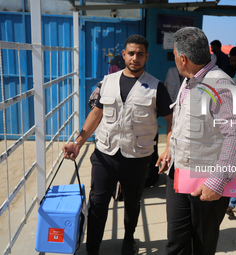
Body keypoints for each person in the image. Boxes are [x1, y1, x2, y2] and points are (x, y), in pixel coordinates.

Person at [62, 34, 173, 255]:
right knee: (98, 203)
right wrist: (78, 142)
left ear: (147, 56)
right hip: (105, 155)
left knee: (132, 204)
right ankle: (92, 248)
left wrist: (168, 149)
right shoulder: (107, 82)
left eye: (140, 54)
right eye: (131, 53)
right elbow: (96, 113)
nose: (135, 58)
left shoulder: (156, 87)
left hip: (138, 158)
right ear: (124, 54)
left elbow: (171, 122)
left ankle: (128, 240)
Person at [157, 27, 236, 255]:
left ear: (183, 58)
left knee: (202, 246)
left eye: (175, 55)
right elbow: (185, 124)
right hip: (179, 174)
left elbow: (235, 137)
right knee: (176, 243)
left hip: (206, 182)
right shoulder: (190, 81)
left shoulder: (221, 86)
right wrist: (170, 150)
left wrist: (217, 182)